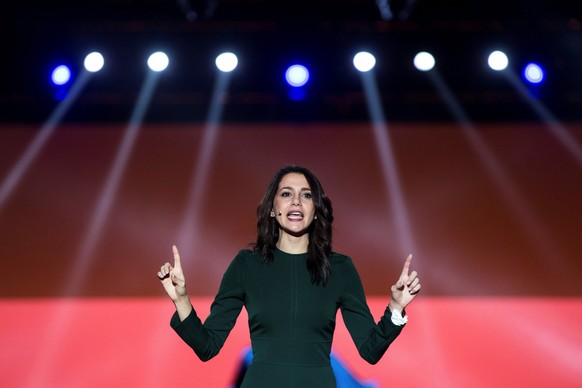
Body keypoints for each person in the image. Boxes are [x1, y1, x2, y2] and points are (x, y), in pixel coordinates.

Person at [157, 164, 421, 388]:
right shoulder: (246, 265)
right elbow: (207, 347)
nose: (296, 201)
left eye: (306, 195)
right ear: (273, 208)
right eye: (286, 193)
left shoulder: (340, 268)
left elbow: (370, 351)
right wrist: (181, 300)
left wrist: (396, 308)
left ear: (316, 210)